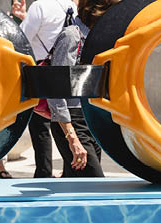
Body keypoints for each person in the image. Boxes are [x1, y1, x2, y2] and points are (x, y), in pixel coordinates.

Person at [43, 0, 119, 177]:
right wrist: (72, 137)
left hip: (89, 119)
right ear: (97, 11)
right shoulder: (72, 36)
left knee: (80, 187)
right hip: (72, 120)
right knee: (94, 183)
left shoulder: (96, 38)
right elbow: (55, 89)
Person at [12, 0, 77, 178]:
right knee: (64, 125)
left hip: (41, 73)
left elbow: (20, 39)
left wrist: (21, 21)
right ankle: (70, 170)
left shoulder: (40, 6)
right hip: (68, 74)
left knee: (40, 126)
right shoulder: (72, 6)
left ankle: (44, 171)